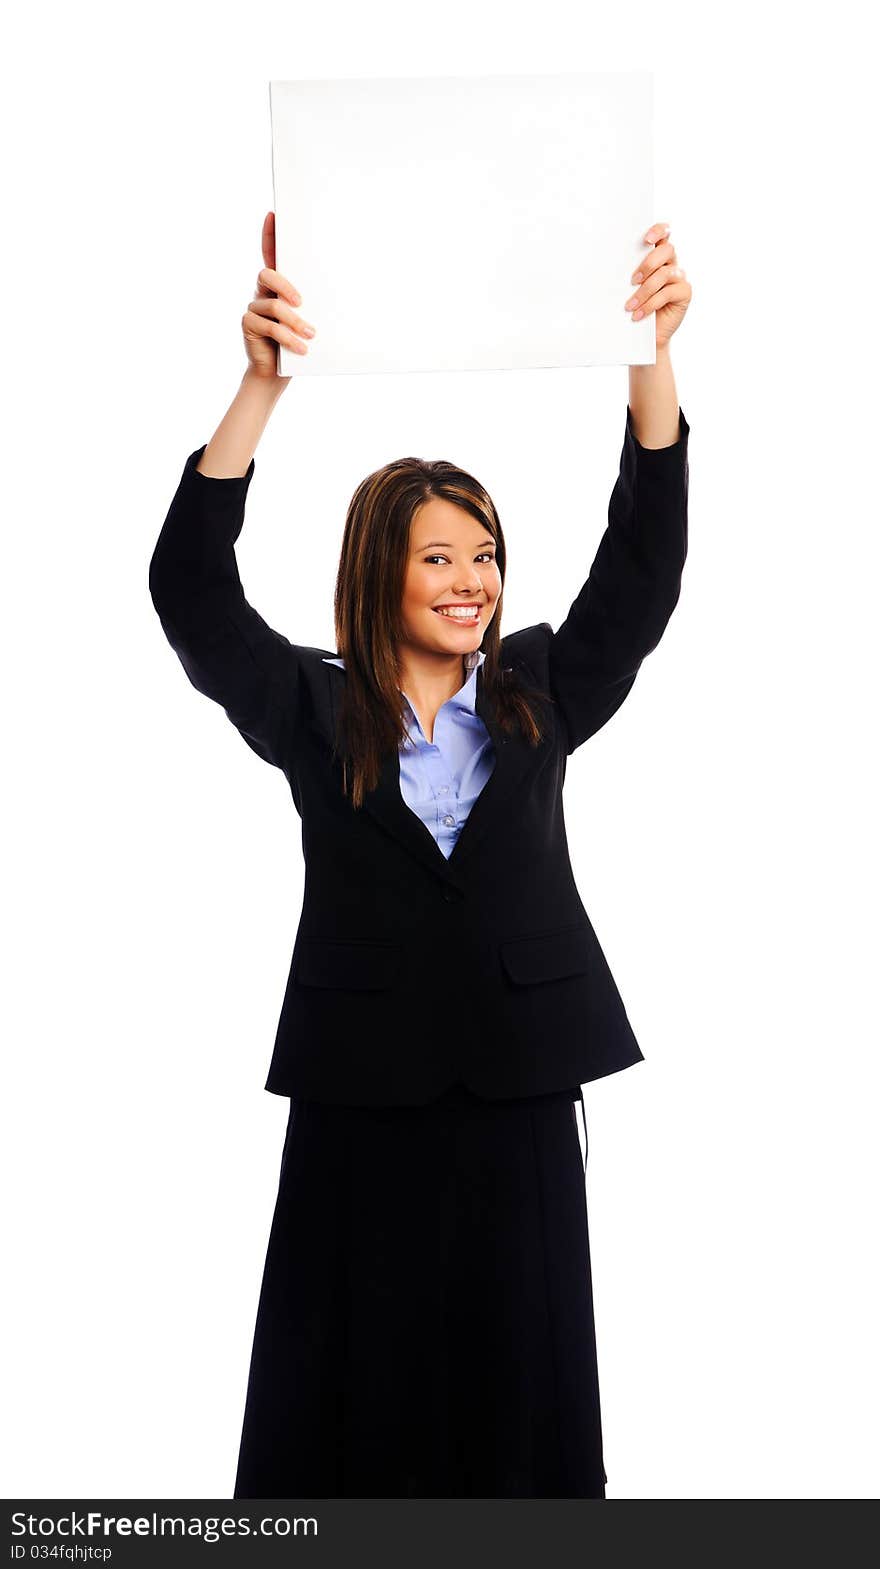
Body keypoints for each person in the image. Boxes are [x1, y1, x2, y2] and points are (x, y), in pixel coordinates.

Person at [148, 210, 692, 1499]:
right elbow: (187, 588)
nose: (472, 580)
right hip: (362, 1090)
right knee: (354, 1383)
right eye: (437, 556)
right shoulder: (309, 707)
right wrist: (261, 386)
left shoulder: (545, 689)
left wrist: (650, 359)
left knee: (527, 1376)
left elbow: (645, 573)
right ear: (375, 573)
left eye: (486, 554)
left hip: (518, 1082)